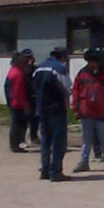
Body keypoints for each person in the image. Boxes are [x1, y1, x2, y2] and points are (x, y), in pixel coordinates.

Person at [72, 49, 104, 174]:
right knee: (86, 140)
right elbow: (75, 91)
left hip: (102, 112)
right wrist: (75, 108)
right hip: (86, 112)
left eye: (95, 62)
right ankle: (83, 162)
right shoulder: (82, 74)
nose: (93, 64)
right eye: (90, 62)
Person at [33, 47, 72, 182]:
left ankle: (44, 169)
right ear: (62, 57)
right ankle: (56, 172)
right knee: (58, 141)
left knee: (45, 141)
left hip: (41, 108)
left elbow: (33, 86)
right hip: (56, 109)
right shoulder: (59, 69)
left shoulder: (38, 68)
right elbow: (67, 88)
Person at [5, 52, 30, 153]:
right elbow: (18, 92)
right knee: (18, 125)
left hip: (13, 102)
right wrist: (25, 106)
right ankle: (16, 145)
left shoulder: (12, 71)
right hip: (18, 103)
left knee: (16, 124)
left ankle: (14, 144)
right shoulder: (17, 74)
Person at [21, 48, 39, 146]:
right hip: (24, 96)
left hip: (34, 95)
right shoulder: (22, 69)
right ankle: (22, 138)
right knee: (24, 119)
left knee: (35, 119)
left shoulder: (35, 68)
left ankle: (33, 136)